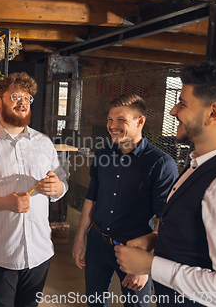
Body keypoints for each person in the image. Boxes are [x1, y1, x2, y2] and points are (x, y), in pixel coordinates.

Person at [115, 61, 216, 306]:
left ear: (212, 113)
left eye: (183, 103)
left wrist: (150, 265)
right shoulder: (202, 161)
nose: (173, 110)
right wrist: (156, 238)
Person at [0, 72, 68, 307]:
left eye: (27, 97)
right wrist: (6, 203)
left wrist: (57, 187)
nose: (23, 102)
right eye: (16, 96)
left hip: (40, 252)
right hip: (1, 254)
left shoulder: (44, 142)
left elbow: (61, 182)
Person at [72, 94, 179, 307]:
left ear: (140, 121)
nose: (112, 126)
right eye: (110, 120)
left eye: (121, 120)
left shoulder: (160, 163)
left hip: (136, 249)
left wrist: (147, 264)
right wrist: (79, 237)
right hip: (97, 242)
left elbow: (165, 218)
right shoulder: (102, 154)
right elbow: (91, 198)